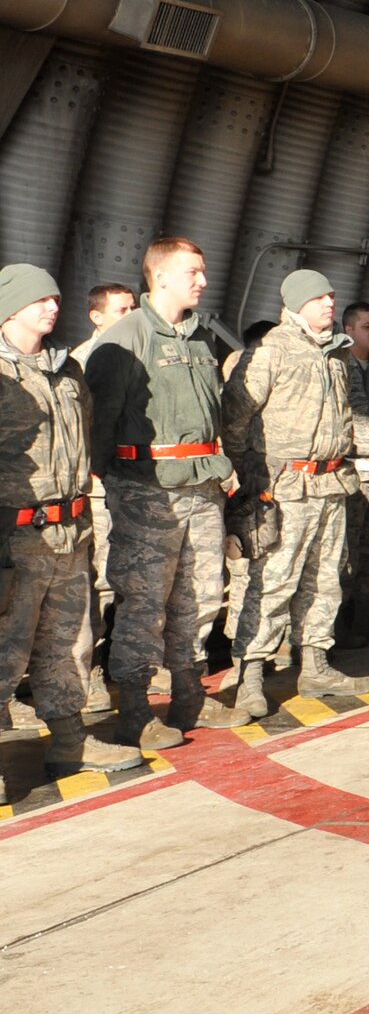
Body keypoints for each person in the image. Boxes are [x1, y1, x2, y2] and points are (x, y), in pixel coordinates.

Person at [87, 237, 249, 748]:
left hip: (202, 488)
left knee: (199, 597)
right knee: (143, 602)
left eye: (202, 271)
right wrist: (115, 484)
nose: (202, 280)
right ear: (159, 277)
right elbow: (100, 424)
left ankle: (189, 698)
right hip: (145, 490)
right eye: (193, 272)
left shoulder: (201, 337)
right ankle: (134, 708)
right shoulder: (124, 338)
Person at [0, 265, 142, 774]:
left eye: (55, 299)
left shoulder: (67, 370)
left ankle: (69, 744)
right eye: (39, 300)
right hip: (15, 536)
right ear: (10, 308)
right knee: (6, 646)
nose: (51, 307)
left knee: (67, 643)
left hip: (71, 528)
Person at [220, 270, 369, 716]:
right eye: (320, 297)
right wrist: (254, 476)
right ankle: (250, 673)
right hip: (284, 487)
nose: (330, 303)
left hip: (331, 483)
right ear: (295, 303)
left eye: (331, 295)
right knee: (272, 583)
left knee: (325, 580)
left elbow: (352, 412)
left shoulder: (338, 356)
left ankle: (315, 665)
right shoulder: (270, 351)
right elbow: (235, 417)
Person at [71, 282, 137, 716]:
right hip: (94, 487)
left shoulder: (137, 351)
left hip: (129, 483)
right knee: (94, 582)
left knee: (125, 579)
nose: (130, 314)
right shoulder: (78, 362)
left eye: (133, 307)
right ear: (97, 316)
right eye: (121, 309)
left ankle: (123, 660)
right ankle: (89, 673)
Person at [338, 301, 369, 650]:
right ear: (349, 331)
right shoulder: (341, 367)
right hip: (353, 472)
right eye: (366, 326)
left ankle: (364, 615)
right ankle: (339, 623)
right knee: (347, 552)